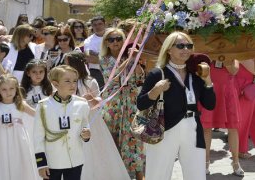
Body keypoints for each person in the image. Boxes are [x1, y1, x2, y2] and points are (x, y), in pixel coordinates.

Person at [137, 31, 216, 180]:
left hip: (193, 129)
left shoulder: (195, 74)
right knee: (157, 175)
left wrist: (208, 81)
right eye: (180, 46)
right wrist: (155, 91)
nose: (186, 49)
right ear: (169, 49)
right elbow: (141, 104)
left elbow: (210, 105)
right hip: (163, 129)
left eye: (189, 46)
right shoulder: (157, 73)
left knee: (197, 175)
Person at [64, 51, 131, 180]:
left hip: (90, 121)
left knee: (94, 151)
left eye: (67, 64)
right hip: (71, 120)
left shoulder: (90, 82)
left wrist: (90, 98)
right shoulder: (64, 82)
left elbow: (99, 105)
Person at [100, 27, 145, 180]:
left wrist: (137, 62)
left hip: (132, 102)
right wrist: (130, 58)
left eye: (119, 39)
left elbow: (140, 79)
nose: (115, 42)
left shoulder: (131, 55)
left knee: (134, 138)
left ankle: (139, 174)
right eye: (111, 39)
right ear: (106, 42)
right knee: (112, 139)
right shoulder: (104, 60)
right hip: (113, 104)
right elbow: (113, 76)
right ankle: (116, 174)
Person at [34, 65, 91, 180]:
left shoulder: (82, 104)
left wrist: (86, 135)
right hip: (52, 162)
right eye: (67, 81)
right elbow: (38, 137)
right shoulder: (43, 106)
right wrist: (41, 164)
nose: (73, 84)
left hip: (75, 160)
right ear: (55, 84)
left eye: (75, 81)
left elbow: (85, 126)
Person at [200, 59, 242, 176]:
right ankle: (205, 162)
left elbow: (234, 71)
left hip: (227, 91)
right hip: (209, 89)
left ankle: (235, 162)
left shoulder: (232, 54)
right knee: (206, 127)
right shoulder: (207, 51)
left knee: (233, 128)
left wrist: (223, 57)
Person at [84, 16, 106, 90]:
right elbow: (89, 58)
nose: (97, 26)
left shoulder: (112, 37)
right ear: (92, 26)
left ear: (104, 24)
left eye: (100, 24)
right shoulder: (88, 41)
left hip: (115, 70)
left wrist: (96, 54)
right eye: (95, 25)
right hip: (96, 72)